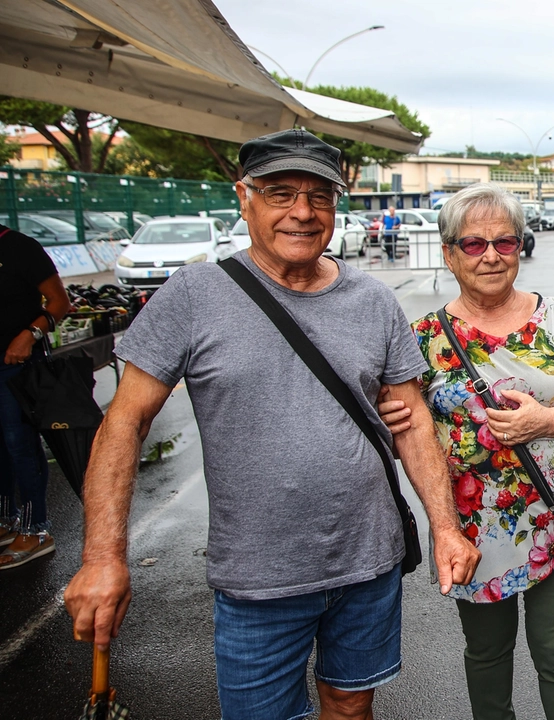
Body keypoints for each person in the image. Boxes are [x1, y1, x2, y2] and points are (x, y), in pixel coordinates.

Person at [63, 129, 481, 720]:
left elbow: (411, 423)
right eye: (281, 193)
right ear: (244, 196)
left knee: (351, 706)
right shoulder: (196, 293)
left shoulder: (372, 300)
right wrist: (103, 556)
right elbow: (123, 424)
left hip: (368, 561)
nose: (303, 213)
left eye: (320, 197)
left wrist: (445, 526)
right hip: (258, 578)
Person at [376, 182, 554, 720]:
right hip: (473, 528)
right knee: (487, 653)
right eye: (474, 244)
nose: (491, 255)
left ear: (520, 247)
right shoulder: (423, 339)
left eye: (505, 243)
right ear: (448, 253)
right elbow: (410, 438)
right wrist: (389, 426)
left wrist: (546, 421)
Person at [0, 223, 71, 569]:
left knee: (21, 446)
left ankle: (35, 529)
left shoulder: (19, 247)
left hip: (17, 368)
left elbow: (60, 302)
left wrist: (28, 336)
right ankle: (5, 520)